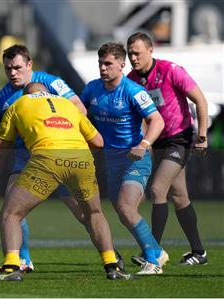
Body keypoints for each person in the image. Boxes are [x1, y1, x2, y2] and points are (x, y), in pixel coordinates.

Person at [0, 44, 124, 272]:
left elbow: (80, 108)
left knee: (72, 213)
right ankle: (24, 259)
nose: (13, 73)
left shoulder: (49, 82)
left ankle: (109, 253)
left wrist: (50, 130)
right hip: (34, 156)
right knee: (13, 200)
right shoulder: (2, 97)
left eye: (17, 67)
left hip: (46, 154)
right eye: (8, 69)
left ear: (29, 65)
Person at [0, 83, 131, 281]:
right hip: (81, 159)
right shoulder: (68, 104)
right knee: (94, 212)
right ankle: (113, 266)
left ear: (27, 94)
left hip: (48, 159)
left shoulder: (18, 104)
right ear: (47, 93)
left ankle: (11, 268)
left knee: (10, 215)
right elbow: (99, 142)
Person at [80, 42, 168, 275]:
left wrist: (144, 144)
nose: (103, 68)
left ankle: (153, 261)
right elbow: (77, 113)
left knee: (126, 207)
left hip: (135, 158)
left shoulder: (133, 91)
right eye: (100, 63)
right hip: (111, 160)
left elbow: (157, 121)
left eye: (108, 63)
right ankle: (157, 251)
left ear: (121, 64)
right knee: (122, 211)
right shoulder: (92, 90)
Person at [126, 32, 208, 266]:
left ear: (150, 51)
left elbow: (200, 100)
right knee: (179, 196)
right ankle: (199, 252)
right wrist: (145, 143)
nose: (133, 58)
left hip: (179, 139)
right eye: (130, 53)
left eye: (137, 53)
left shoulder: (171, 70)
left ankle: (152, 252)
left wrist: (202, 137)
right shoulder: (131, 79)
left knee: (157, 189)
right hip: (158, 141)